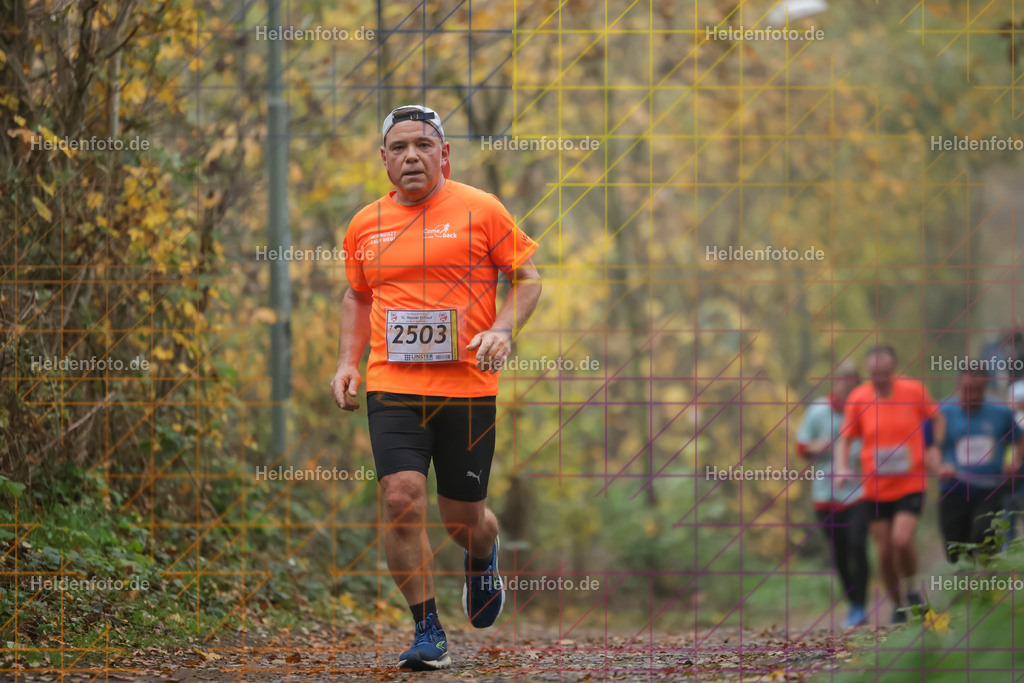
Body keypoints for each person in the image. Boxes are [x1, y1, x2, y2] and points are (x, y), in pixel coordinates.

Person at [330, 105, 542, 670]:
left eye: (423, 145)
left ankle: (483, 552)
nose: (411, 156)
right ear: (384, 159)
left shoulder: (482, 209)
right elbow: (357, 295)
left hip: (466, 388)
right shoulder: (365, 223)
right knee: (400, 498)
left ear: (444, 154)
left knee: (461, 519)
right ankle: (428, 630)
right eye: (399, 147)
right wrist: (348, 362)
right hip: (393, 386)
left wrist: (502, 329)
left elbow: (527, 278)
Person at [835, 344, 944, 624]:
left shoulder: (913, 390)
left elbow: (937, 417)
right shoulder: (858, 398)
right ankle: (896, 605)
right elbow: (845, 439)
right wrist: (842, 467)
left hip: (910, 482)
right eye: (874, 374)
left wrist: (934, 447)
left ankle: (912, 589)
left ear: (894, 369)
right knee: (884, 553)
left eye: (884, 373)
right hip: (875, 489)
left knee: (902, 539)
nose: (879, 379)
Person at [795, 360, 869, 628]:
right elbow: (802, 447)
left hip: (859, 492)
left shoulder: (865, 409)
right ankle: (853, 604)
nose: (847, 386)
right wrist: (818, 447)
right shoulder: (818, 410)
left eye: (853, 381)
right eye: (843, 380)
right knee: (840, 552)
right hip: (826, 495)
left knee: (857, 545)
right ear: (835, 382)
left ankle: (861, 604)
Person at [936, 366, 1023, 562]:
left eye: (977, 389)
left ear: (985, 386)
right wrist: (940, 466)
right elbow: (930, 446)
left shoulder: (1000, 412)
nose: (972, 394)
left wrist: (1014, 460)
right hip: (954, 489)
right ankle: (965, 580)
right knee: (956, 552)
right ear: (959, 385)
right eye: (967, 389)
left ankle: (990, 578)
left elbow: (1020, 439)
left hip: (990, 490)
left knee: (984, 535)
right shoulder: (942, 412)